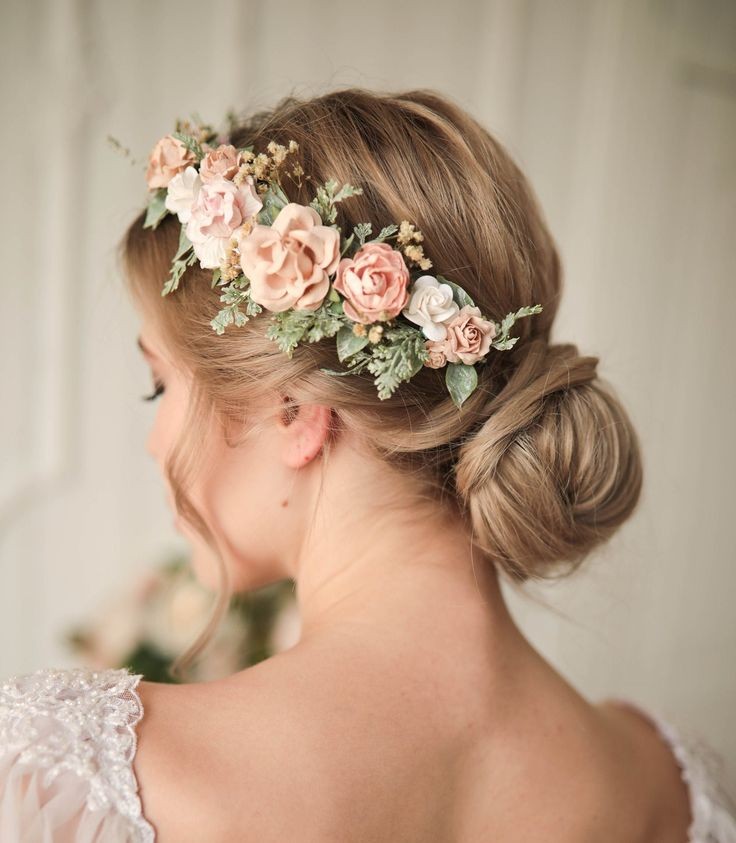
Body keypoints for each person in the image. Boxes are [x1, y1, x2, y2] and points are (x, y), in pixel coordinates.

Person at [1, 87, 734, 843]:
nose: (156, 441)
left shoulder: (69, 776)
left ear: (294, 409)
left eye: (161, 384)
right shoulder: (671, 787)